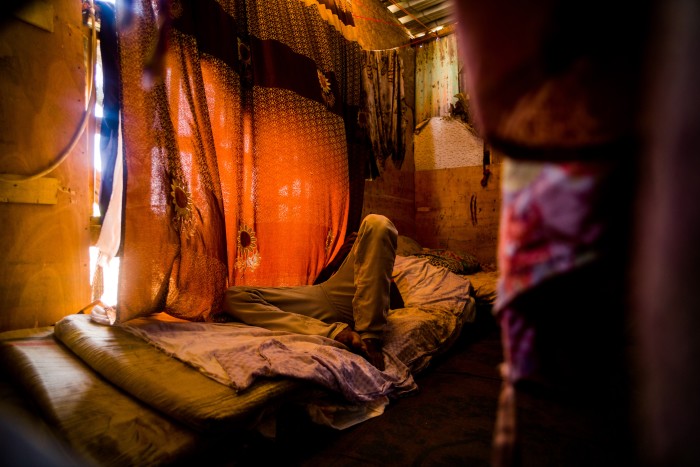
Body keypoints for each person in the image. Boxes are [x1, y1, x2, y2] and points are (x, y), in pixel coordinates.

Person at [223, 214, 398, 371]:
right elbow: (319, 288)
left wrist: (375, 266)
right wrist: (337, 260)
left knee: (377, 223)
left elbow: (396, 303)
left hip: (357, 304)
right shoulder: (337, 265)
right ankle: (336, 333)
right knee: (234, 296)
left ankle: (370, 338)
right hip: (325, 299)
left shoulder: (376, 259)